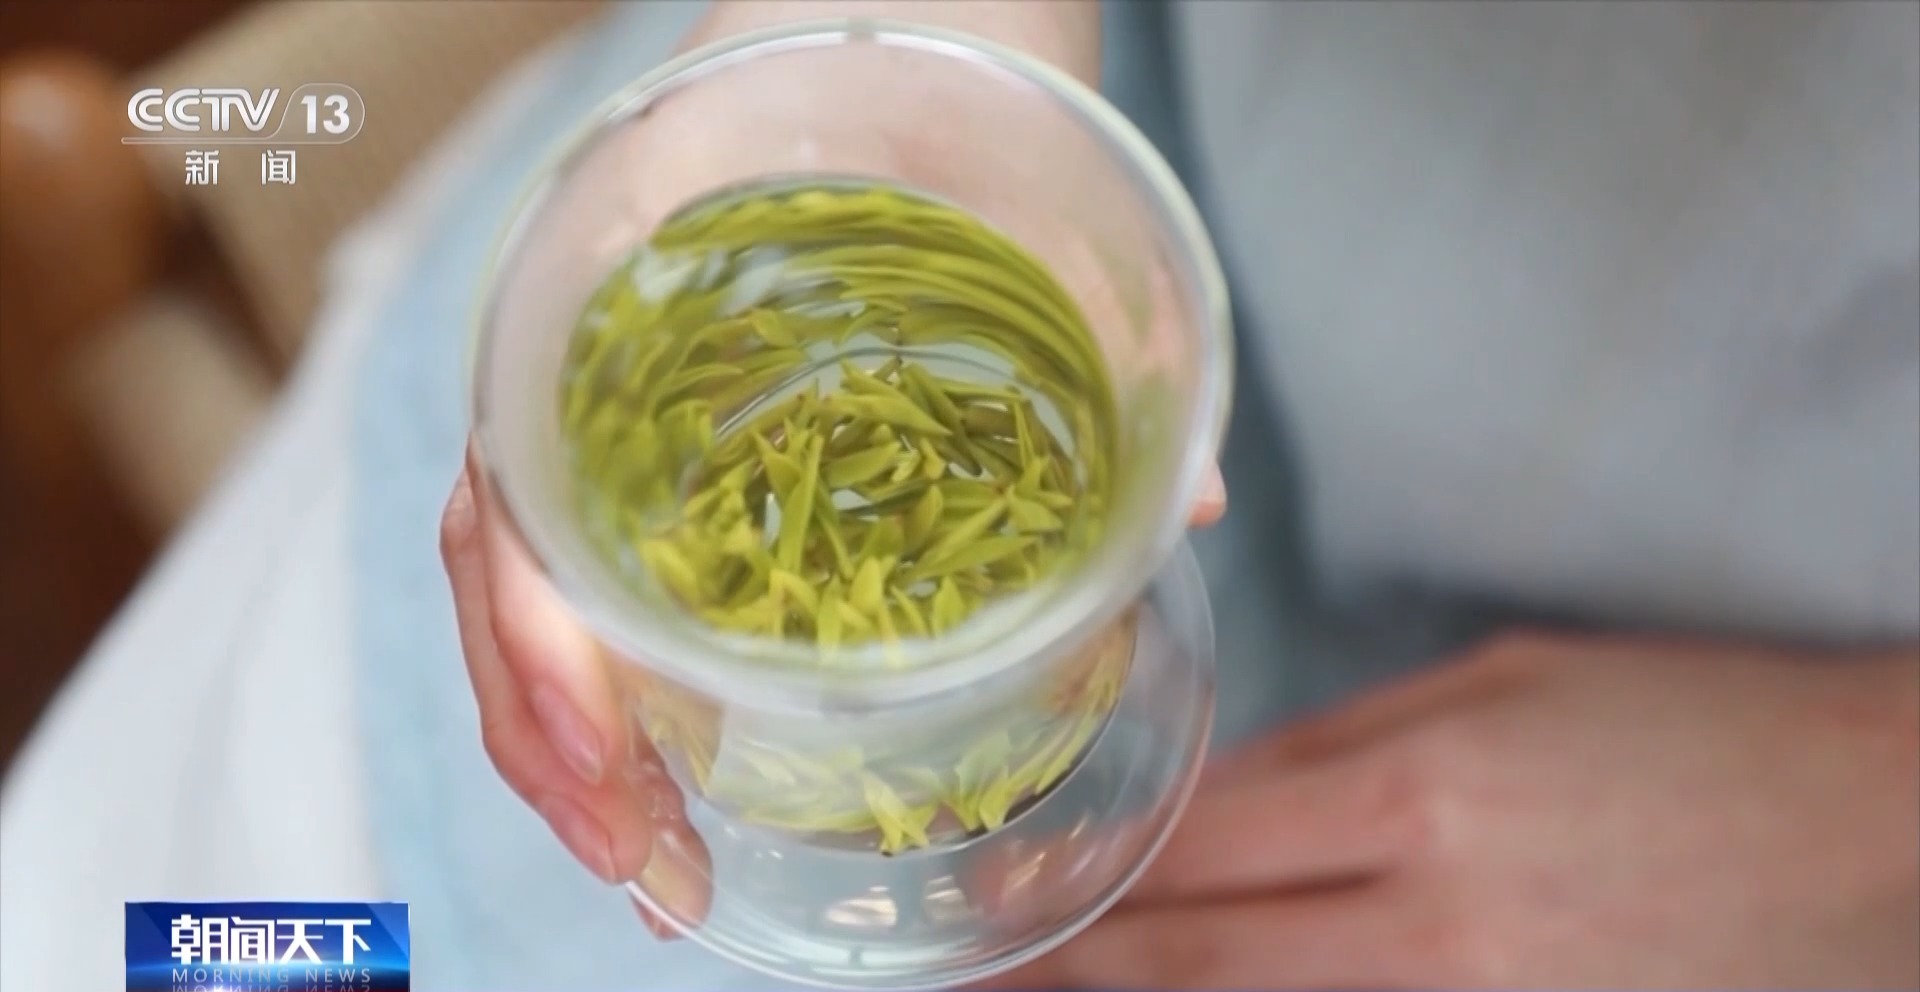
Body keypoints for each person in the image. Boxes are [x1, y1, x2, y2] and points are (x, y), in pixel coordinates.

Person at [1, 2, 1911, 991]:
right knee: (177, 938)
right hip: (984, 188)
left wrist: (1864, 828)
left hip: (1781, 746)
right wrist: (906, 32)